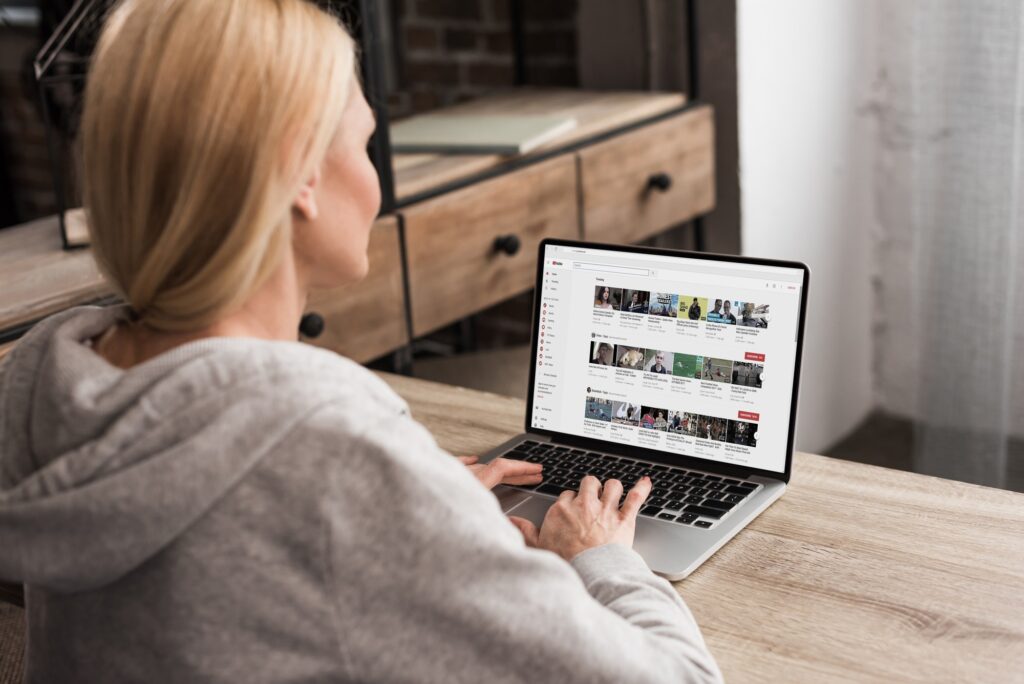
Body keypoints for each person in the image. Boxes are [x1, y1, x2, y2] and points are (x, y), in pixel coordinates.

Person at [0, 2, 722, 683]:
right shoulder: (333, 455)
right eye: (364, 141)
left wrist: (420, 513)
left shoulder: (49, 379)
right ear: (302, 173)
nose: (374, 177)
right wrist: (602, 559)